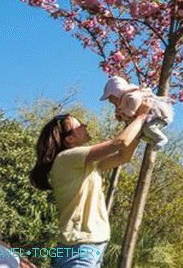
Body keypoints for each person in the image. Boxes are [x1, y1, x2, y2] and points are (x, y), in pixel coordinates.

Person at [29, 103, 149, 268]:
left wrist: (134, 123)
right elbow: (119, 142)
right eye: (79, 125)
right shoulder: (66, 158)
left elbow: (123, 157)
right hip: (79, 248)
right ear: (70, 139)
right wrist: (141, 117)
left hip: (86, 247)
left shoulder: (84, 164)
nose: (84, 125)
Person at [100, 76, 173, 149]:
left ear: (116, 93)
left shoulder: (129, 96)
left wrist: (128, 113)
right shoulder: (123, 101)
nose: (109, 100)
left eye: (110, 97)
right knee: (141, 134)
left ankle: (161, 139)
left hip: (156, 116)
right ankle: (154, 140)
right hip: (148, 118)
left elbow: (135, 100)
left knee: (148, 128)